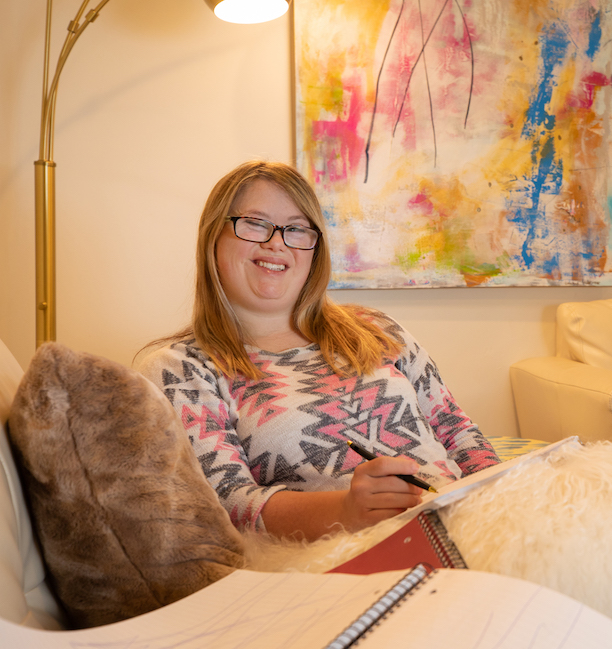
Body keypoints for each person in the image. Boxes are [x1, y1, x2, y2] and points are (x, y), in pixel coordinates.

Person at [140, 160, 499, 540]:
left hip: (469, 521)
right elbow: (226, 504)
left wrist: (506, 497)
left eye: (295, 229)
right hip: (346, 553)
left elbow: (457, 430)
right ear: (213, 237)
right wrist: (347, 511)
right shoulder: (180, 369)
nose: (276, 242)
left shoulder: (374, 329)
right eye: (255, 223)